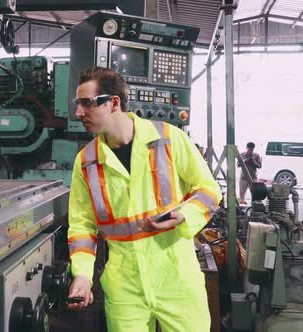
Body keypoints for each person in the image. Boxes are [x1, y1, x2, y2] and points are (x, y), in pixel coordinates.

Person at [66, 67, 222, 332]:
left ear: (114, 103)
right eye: (77, 104)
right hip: (125, 288)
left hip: (176, 278)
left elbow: (208, 190)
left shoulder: (170, 140)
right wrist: (82, 274)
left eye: (87, 103)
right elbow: (82, 226)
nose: (79, 112)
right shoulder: (87, 161)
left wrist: (185, 215)